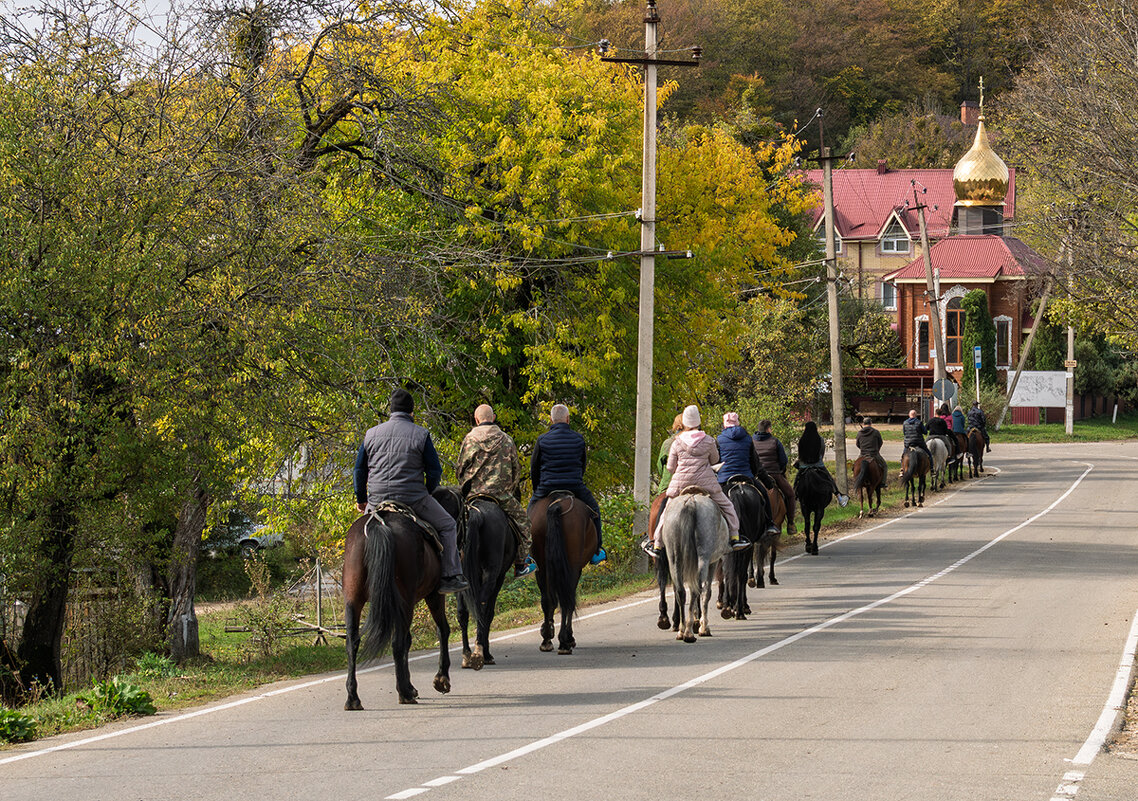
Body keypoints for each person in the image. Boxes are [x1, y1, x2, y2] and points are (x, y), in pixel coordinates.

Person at [354, 388, 468, 594]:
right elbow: (435, 470)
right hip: (413, 499)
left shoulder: (371, 434)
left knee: (357, 536)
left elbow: (359, 470)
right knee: (448, 525)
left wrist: (361, 499)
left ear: (391, 410)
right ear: (411, 411)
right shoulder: (421, 434)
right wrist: (427, 491)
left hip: (377, 500)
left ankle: (356, 583)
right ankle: (450, 576)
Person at [645, 405, 749, 555]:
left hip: (681, 484)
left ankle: (657, 544)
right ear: (698, 422)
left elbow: (670, 467)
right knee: (728, 506)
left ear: (685, 423)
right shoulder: (709, 440)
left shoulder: (676, 442)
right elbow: (715, 460)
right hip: (705, 483)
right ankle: (734, 537)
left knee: (665, 511)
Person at [456, 404, 537, 579]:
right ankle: (521, 563)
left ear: (476, 420)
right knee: (524, 522)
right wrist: (509, 489)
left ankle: (451, 562)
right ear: (493, 418)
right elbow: (516, 470)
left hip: (473, 495)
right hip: (501, 496)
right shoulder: (506, 439)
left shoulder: (469, 439)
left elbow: (460, 469)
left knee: (452, 523)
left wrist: (465, 489)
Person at [529, 404, 606, 565]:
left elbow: (534, 468)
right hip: (574, 486)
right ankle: (597, 550)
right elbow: (582, 464)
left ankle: (525, 553)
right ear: (568, 419)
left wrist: (537, 490)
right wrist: (576, 480)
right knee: (595, 510)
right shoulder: (578, 439)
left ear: (551, 420)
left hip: (547, 487)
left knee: (528, 513)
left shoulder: (542, 440)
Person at [716, 412, 780, 538]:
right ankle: (770, 524)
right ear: (738, 423)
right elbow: (756, 464)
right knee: (764, 495)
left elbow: (716, 462)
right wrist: (767, 483)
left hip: (725, 479)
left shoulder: (718, 440)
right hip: (746, 476)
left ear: (724, 424)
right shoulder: (747, 438)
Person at [752, 419, 797, 535]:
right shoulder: (775, 441)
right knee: (790, 494)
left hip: (756, 475)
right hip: (773, 474)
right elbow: (783, 460)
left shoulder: (751, 441)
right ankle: (790, 523)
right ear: (768, 429)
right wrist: (781, 470)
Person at [796, 421, 848, 506]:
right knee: (829, 478)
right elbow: (822, 452)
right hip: (818, 464)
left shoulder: (802, 440)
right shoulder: (820, 439)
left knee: (797, 479)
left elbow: (800, 454)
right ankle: (839, 497)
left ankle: (794, 495)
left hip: (804, 465)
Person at [855, 416, 888, 488]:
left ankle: (856, 481)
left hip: (862, 454)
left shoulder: (859, 433)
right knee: (885, 466)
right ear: (871, 423)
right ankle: (883, 483)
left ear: (863, 423)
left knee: (854, 466)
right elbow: (880, 442)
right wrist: (877, 449)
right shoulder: (876, 432)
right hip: (874, 454)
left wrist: (862, 449)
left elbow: (857, 444)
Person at [655, 413, 684, 493]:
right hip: (695, 483)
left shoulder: (668, 443)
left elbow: (660, 467)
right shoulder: (699, 442)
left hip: (669, 484)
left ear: (676, 425)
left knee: (659, 500)